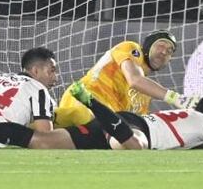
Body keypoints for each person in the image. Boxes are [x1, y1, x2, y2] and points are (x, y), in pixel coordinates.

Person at [0, 83, 203, 151]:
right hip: (131, 128)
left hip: (117, 125)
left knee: (44, 142)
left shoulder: (190, 118)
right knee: (133, 149)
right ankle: (94, 102)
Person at [55, 30, 190, 128]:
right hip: (85, 98)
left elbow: (135, 122)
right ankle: (41, 118)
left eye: (170, 50)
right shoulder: (131, 48)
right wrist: (178, 99)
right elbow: (135, 80)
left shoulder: (145, 95)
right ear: (148, 47)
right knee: (86, 117)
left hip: (106, 119)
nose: (164, 52)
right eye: (160, 45)